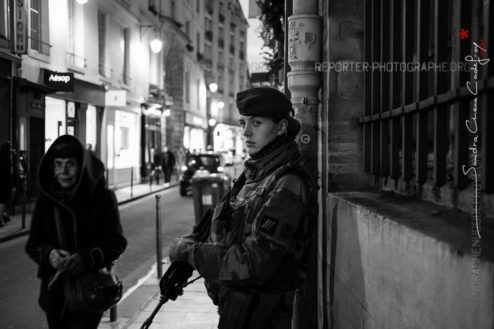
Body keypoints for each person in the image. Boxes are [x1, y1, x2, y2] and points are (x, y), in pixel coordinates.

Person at [168, 87, 317, 329]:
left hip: (263, 316)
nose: (246, 132)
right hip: (238, 310)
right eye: (243, 123)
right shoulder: (256, 173)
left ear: (280, 128)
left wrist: (190, 252)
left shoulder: (287, 181)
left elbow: (254, 263)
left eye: (256, 123)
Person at [25, 135, 127, 329]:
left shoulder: (103, 199)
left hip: (90, 290)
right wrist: (49, 255)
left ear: (81, 167)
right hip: (54, 293)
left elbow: (116, 242)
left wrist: (86, 258)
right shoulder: (46, 201)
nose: (63, 171)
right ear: (52, 168)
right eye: (58, 164)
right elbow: (33, 244)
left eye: (70, 164)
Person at [0, 141, 13, 226]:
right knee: (3, 201)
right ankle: (0, 218)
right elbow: (8, 173)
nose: (12, 149)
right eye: (10, 147)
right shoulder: (7, 158)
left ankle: (4, 215)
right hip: (4, 182)